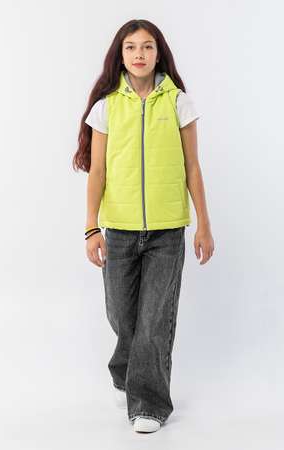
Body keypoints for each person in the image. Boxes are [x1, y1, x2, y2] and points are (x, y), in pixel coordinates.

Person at [72, 19, 215, 433]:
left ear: (158, 53)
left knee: (154, 321)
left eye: (147, 46)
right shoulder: (106, 107)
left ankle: (149, 403)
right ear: (120, 55)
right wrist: (91, 228)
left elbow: (193, 167)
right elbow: (98, 172)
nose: (139, 54)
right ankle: (127, 370)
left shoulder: (178, 103)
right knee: (121, 314)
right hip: (119, 230)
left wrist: (203, 225)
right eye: (131, 47)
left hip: (167, 232)